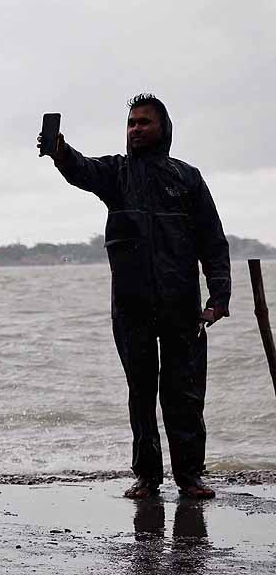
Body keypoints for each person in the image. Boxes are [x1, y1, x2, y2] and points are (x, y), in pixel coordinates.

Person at [41, 93, 229, 500]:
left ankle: (190, 477)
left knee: (185, 396)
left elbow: (213, 243)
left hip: (183, 308)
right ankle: (147, 477)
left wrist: (219, 297)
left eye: (144, 122)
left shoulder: (188, 178)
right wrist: (59, 151)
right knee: (141, 395)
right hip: (131, 309)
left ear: (164, 128)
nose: (136, 129)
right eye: (131, 123)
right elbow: (81, 168)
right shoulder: (116, 174)